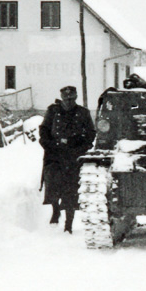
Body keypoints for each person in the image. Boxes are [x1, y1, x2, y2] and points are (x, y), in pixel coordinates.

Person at [39, 86, 96, 233]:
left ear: (76, 97)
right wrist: (49, 145)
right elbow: (44, 129)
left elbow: (90, 134)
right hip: (54, 154)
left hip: (73, 156)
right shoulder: (53, 111)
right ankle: (55, 210)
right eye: (66, 98)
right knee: (52, 185)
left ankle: (68, 224)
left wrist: (80, 149)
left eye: (71, 98)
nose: (68, 101)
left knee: (71, 189)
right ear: (61, 98)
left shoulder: (83, 113)